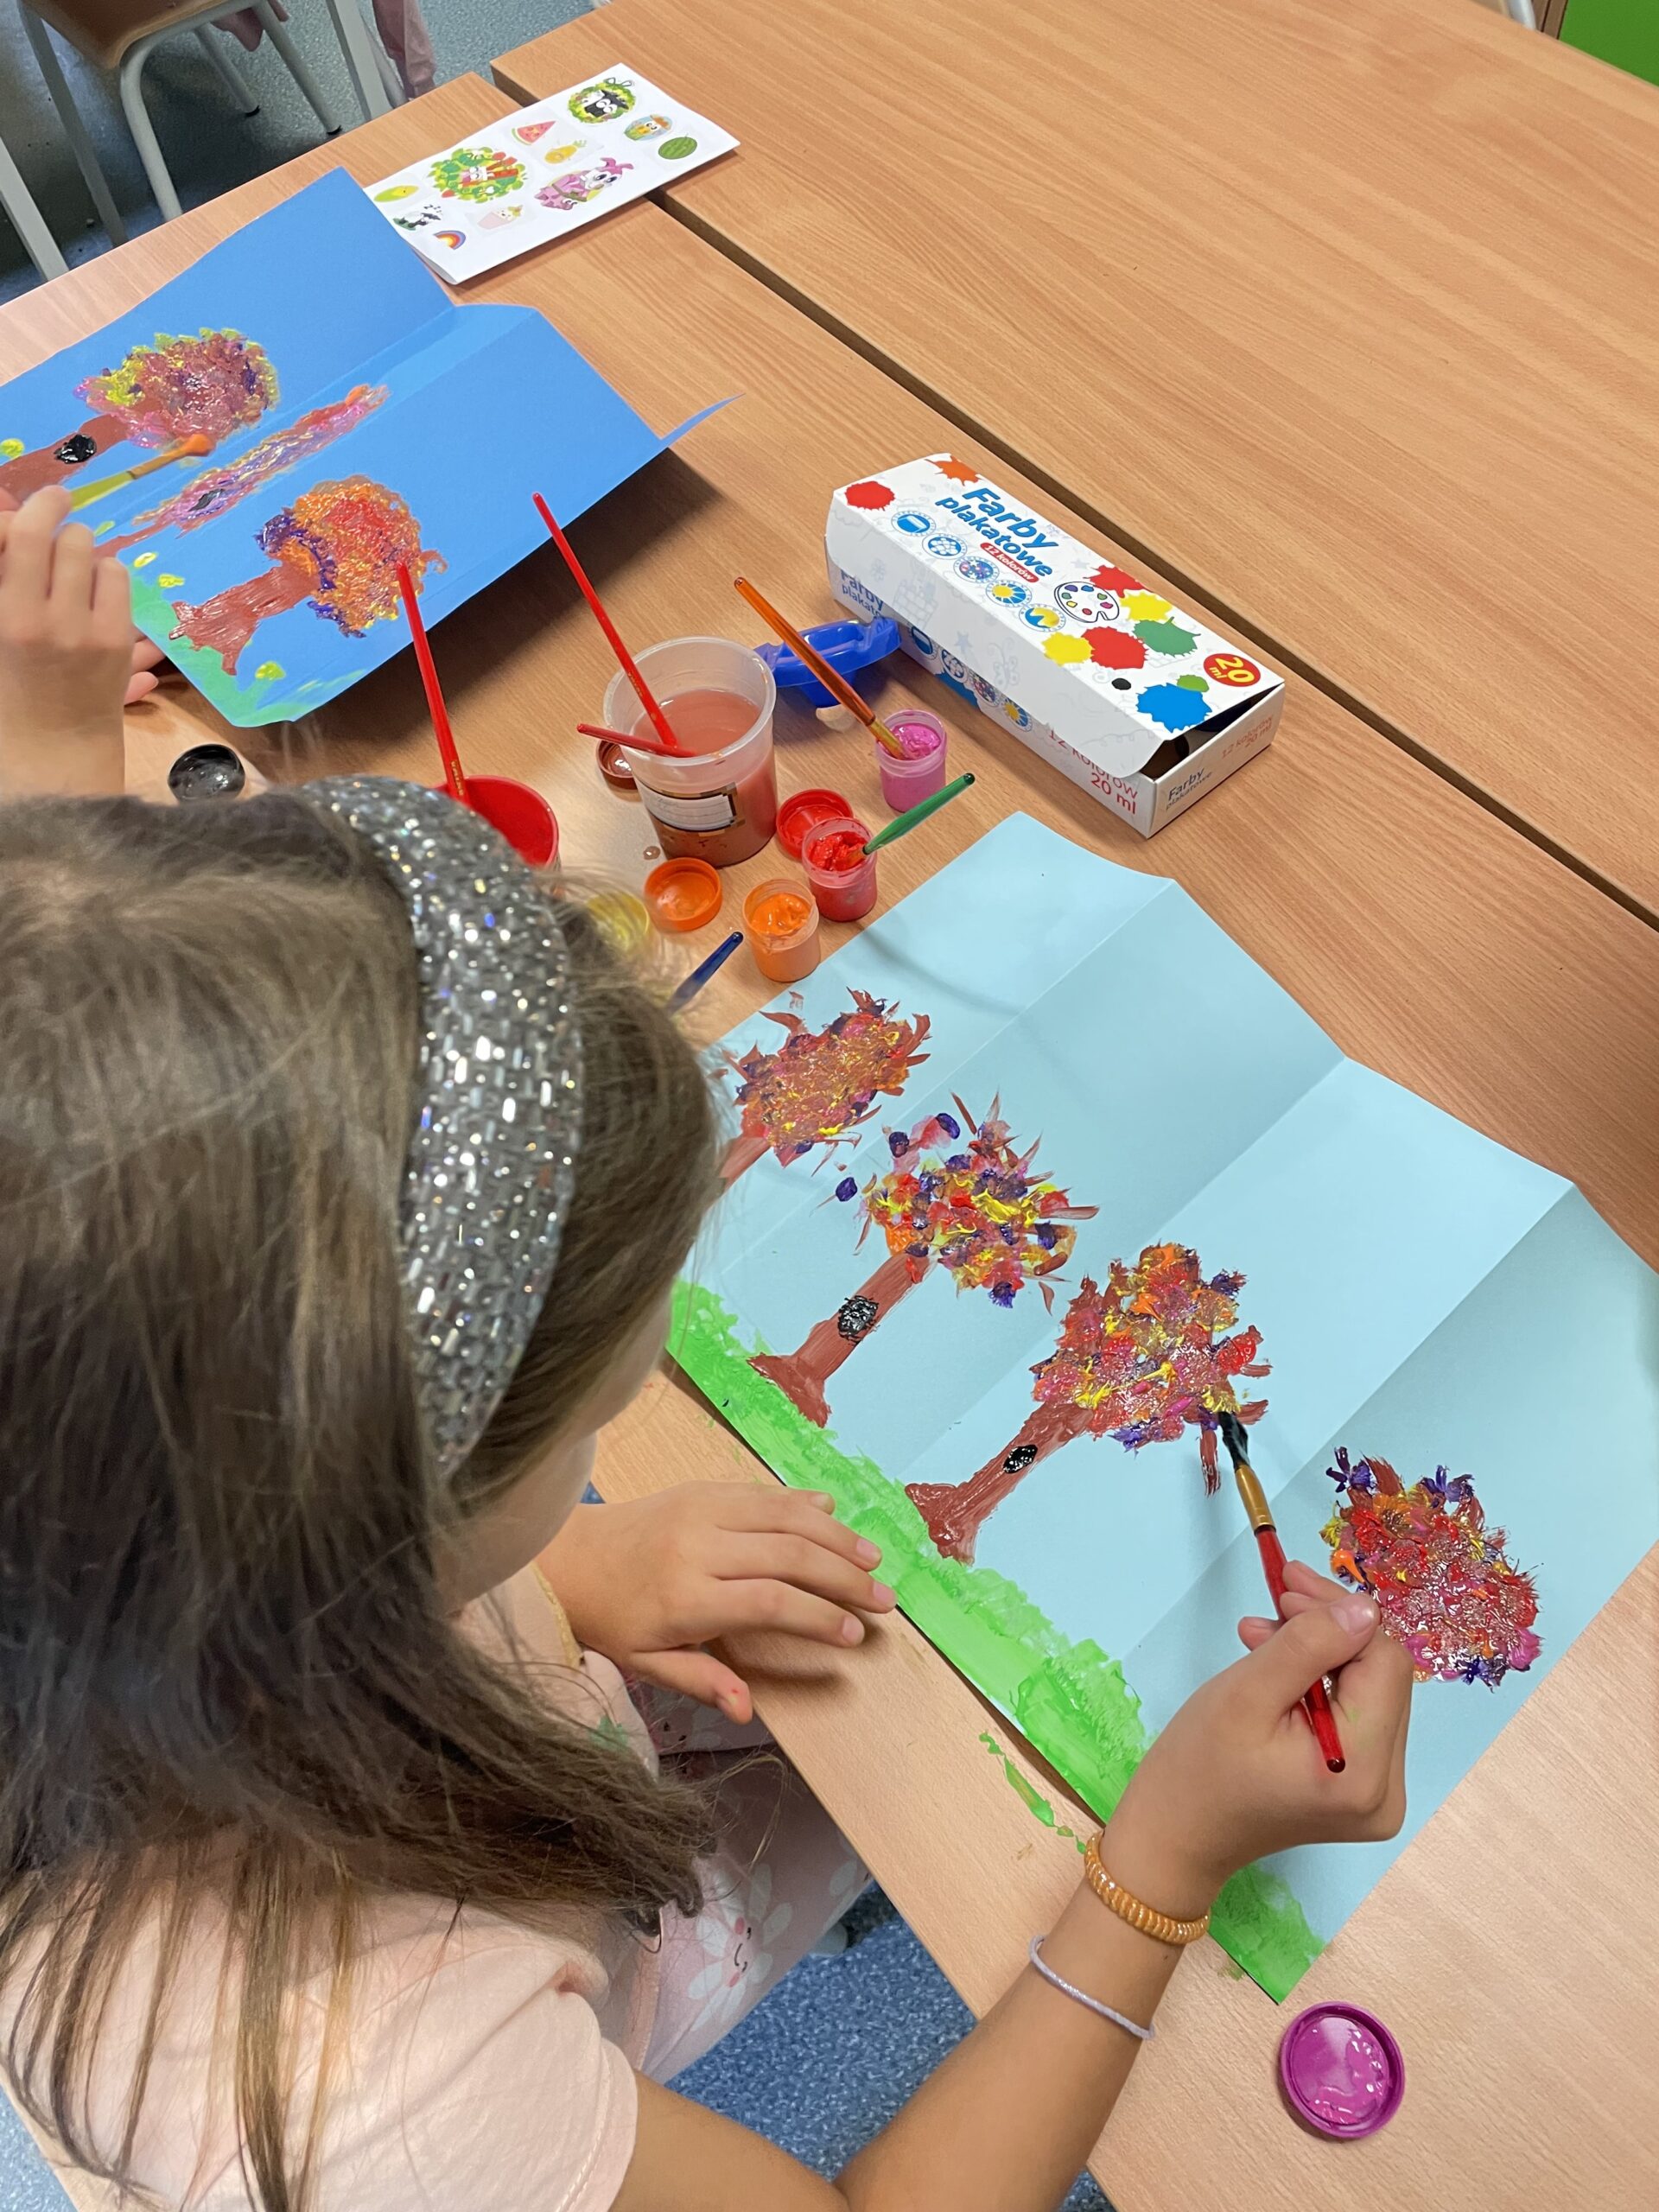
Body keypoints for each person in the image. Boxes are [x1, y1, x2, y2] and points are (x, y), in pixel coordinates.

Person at [0, 487, 1414, 2212]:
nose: (656, 1345)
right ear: (371, 1536)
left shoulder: (98, 1455)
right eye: (602, 1395)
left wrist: (572, 1572)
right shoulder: (366, 2102)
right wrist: (1160, 1866)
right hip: (584, 1988)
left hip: (519, 1745)